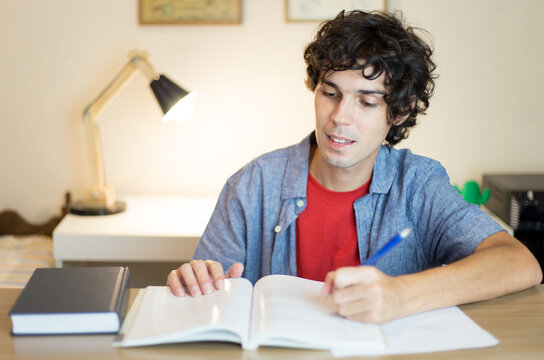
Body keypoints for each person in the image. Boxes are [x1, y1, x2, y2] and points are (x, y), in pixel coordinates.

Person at [167, 10, 542, 324]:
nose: (339, 118)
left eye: (366, 102)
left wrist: (401, 295)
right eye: (330, 94)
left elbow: (520, 263)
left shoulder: (417, 183)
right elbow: (201, 292)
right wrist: (194, 280)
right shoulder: (254, 183)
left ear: (400, 111)